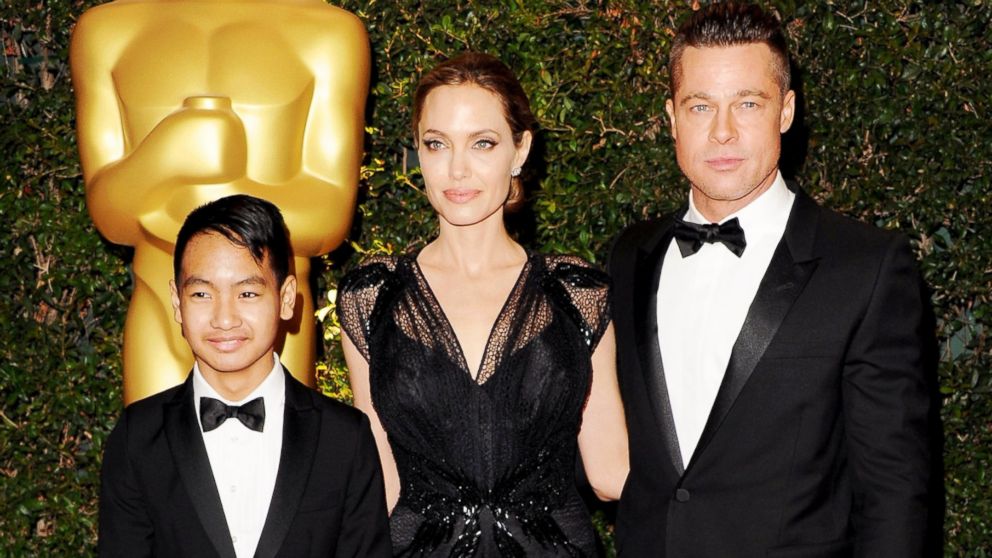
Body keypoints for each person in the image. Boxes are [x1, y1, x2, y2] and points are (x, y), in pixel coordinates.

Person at [609, 3, 931, 556]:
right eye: (701, 105)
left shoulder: (866, 268)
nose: (723, 131)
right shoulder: (630, 255)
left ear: (785, 111)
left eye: (748, 103)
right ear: (671, 117)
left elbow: (895, 496)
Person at [336, 52, 629, 556]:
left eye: (483, 143)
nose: (457, 169)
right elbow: (381, 483)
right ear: (419, 151)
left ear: (520, 150)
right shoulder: (373, 296)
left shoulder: (576, 293)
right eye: (436, 144)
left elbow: (611, 472)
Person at [70, 0, 370, 403]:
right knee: (151, 458)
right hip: (160, 304)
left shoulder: (328, 33)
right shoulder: (106, 31)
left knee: (282, 462)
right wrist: (165, 153)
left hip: (273, 315)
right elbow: (110, 216)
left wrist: (227, 189)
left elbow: (331, 215)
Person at [98, 195, 391, 558]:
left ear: (286, 298)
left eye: (247, 293)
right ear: (177, 302)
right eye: (202, 293)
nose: (224, 318)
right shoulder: (137, 438)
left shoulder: (344, 438)